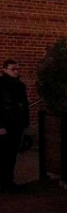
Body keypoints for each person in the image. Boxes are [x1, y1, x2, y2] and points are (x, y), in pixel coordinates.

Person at [0, 60, 29, 193]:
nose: (16, 71)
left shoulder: (20, 85)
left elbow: (24, 104)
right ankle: (4, 182)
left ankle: (9, 181)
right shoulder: (1, 85)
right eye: (13, 69)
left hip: (16, 124)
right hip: (6, 123)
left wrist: (25, 121)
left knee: (11, 154)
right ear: (4, 69)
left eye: (17, 69)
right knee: (4, 154)